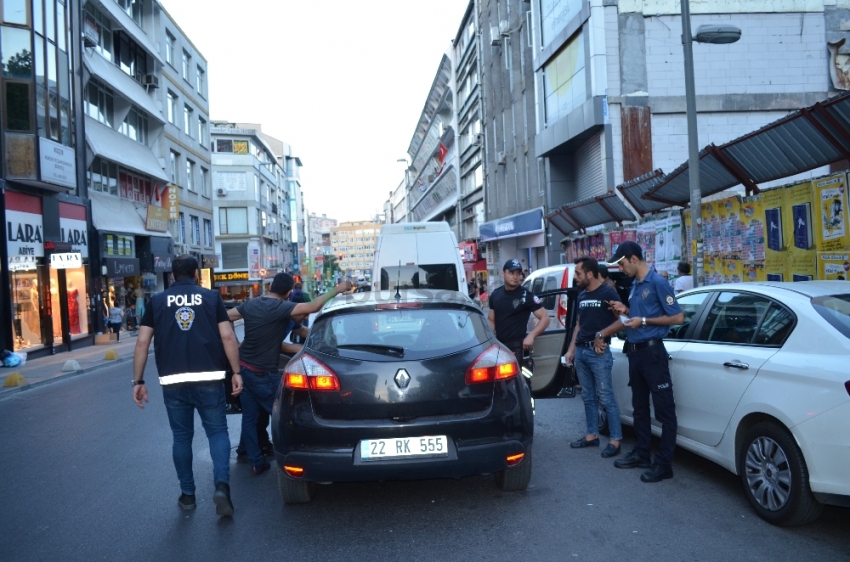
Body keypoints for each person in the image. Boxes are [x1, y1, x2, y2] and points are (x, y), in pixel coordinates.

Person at [132, 255, 243, 516]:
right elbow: (227, 335)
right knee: (217, 432)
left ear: (172, 276)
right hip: (210, 377)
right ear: (196, 274)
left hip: (173, 380)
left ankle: (188, 495)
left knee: (182, 437)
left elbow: (141, 343)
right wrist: (236, 371)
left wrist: (138, 381)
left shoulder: (157, 301)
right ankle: (221, 486)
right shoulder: (211, 298)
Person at [227, 274, 352, 475]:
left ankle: (255, 462)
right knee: (283, 416)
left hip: (244, 369)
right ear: (287, 293)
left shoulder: (251, 304)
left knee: (249, 419)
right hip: (263, 375)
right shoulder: (280, 308)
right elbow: (312, 306)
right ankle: (296, 456)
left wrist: (234, 342)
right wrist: (337, 289)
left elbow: (226, 317)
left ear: (270, 286)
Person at [605, 242, 683, 483]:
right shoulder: (636, 285)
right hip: (635, 353)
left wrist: (645, 321)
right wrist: (624, 310)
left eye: (621, 263)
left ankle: (664, 463)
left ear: (633, 259)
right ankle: (641, 454)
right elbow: (636, 317)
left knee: (664, 410)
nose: (620, 268)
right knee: (639, 407)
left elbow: (678, 317)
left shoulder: (657, 282)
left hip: (652, 353)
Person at [564, 257, 624, 458]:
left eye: (578, 273)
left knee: (606, 397)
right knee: (588, 396)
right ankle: (592, 435)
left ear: (590, 274)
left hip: (598, 353)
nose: (575, 277)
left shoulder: (608, 293)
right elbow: (579, 325)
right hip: (581, 351)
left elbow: (623, 321)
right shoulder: (582, 295)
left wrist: (602, 334)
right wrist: (571, 349)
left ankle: (615, 441)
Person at [487, 259, 550, 367]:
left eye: (518, 273)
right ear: (503, 274)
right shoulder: (495, 295)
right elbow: (491, 320)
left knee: (522, 381)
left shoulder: (526, 295)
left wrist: (531, 336)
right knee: (501, 382)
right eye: (511, 273)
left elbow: (545, 318)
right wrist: (488, 339)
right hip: (499, 346)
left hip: (518, 347)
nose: (515, 277)